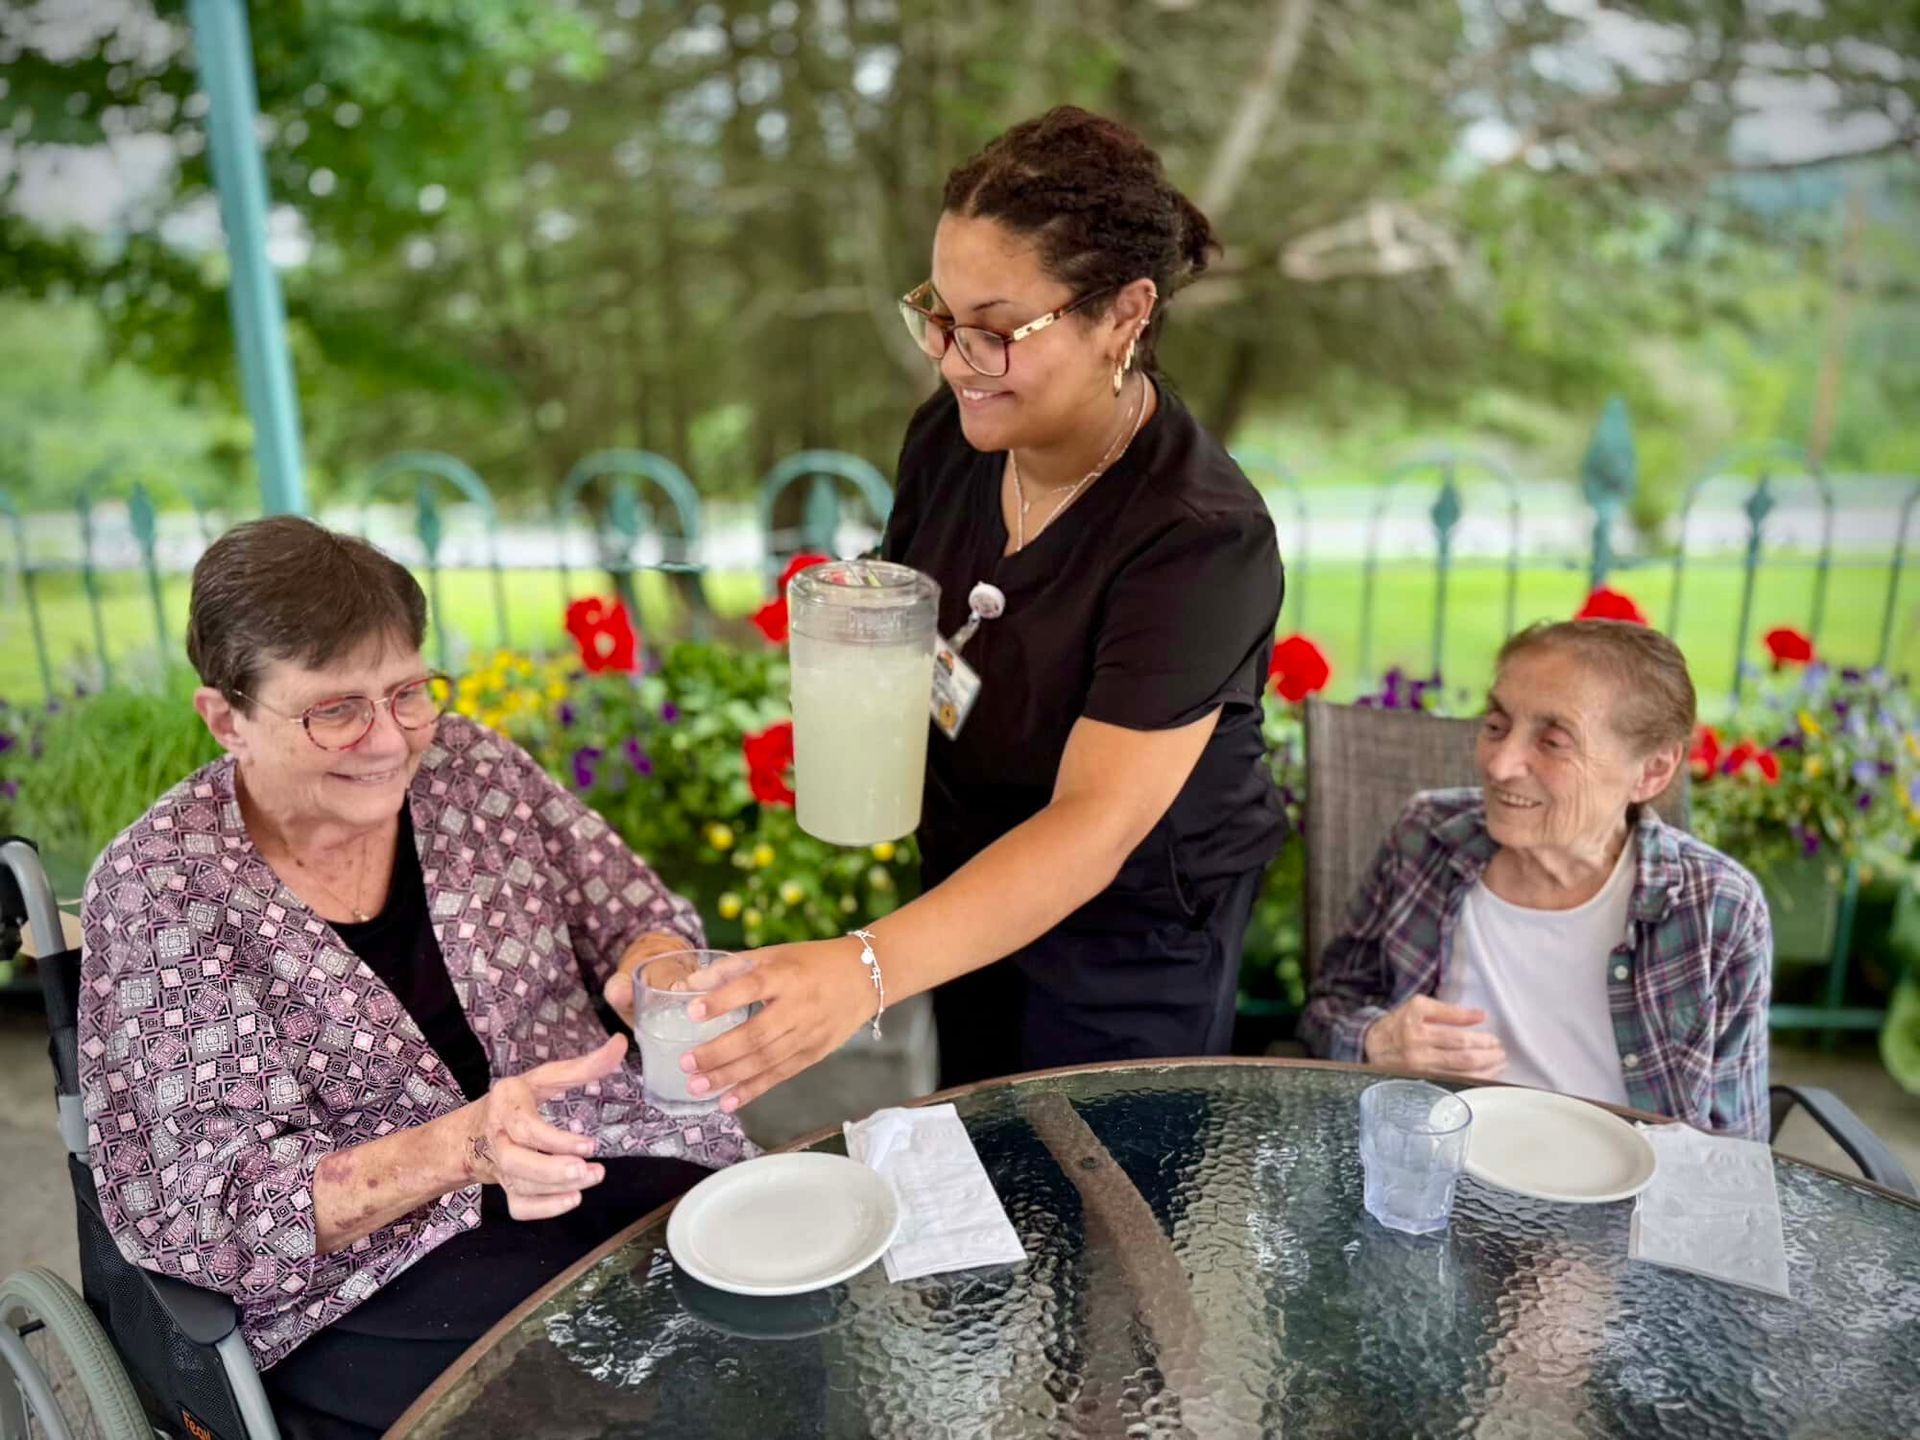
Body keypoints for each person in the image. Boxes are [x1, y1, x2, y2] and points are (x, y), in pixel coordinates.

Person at [664, 107, 1286, 1102]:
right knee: (985, 1159)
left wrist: (862, 968)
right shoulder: (950, 439)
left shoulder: (1199, 538)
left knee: (1111, 1201)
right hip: (965, 888)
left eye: (995, 331)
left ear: (1124, 316)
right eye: (940, 317)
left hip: (1126, 939)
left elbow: (1095, 821)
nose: (953, 362)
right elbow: (925, 619)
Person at [78, 517, 749, 1439]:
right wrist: (467, 1148)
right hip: (373, 1273)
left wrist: (647, 974)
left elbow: (637, 914)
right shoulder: (162, 886)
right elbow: (214, 1212)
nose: (390, 741)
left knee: (766, 1324)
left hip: (596, 1155)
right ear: (226, 717)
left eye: (407, 692)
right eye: (336, 709)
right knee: (593, 1413)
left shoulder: (469, 768)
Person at [1299, 619, 1773, 1138]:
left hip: (1631, 1201)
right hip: (1433, 1180)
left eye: (1553, 742)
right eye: (1496, 726)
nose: (1500, 766)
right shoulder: (1427, 839)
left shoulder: (1718, 908)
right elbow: (1328, 1006)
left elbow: (1734, 1146)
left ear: (1652, 773)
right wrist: (1375, 1040)